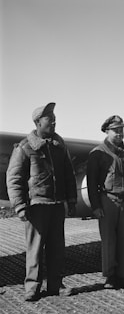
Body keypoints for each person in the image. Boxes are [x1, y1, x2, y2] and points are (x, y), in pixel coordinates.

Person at [6, 103, 77, 302]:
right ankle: (32, 287)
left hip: (56, 206)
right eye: (49, 118)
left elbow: (69, 175)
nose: (54, 121)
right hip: (36, 206)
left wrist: (71, 200)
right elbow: (14, 178)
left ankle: (55, 285)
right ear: (38, 122)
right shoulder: (25, 147)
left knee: (57, 248)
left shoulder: (59, 146)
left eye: (54, 117)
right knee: (35, 249)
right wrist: (19, 205)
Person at [86, 115, 124, 289]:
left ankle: (123, 275)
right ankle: (109, 277)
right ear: (107, 131)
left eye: (121, 130)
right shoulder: (97, 153)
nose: (119, 134)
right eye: (115, 130)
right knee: (108, 240)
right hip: (108, 200)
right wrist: (96, 207)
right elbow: (92, 183)